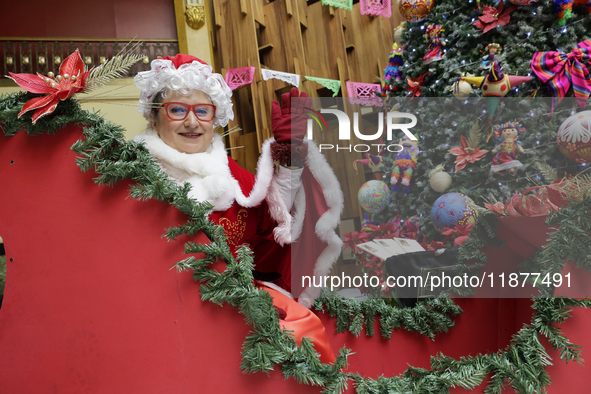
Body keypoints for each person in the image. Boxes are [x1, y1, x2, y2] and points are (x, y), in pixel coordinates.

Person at [133, 54, 343, 363]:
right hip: (159, 320)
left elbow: (279, 230)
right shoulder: (132, 177)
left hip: (234, 318)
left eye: (202, 111)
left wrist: (290, 162)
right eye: (177, 110)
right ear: (154, 117)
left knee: (307, 337)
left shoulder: (232, 176)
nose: (192, 122)